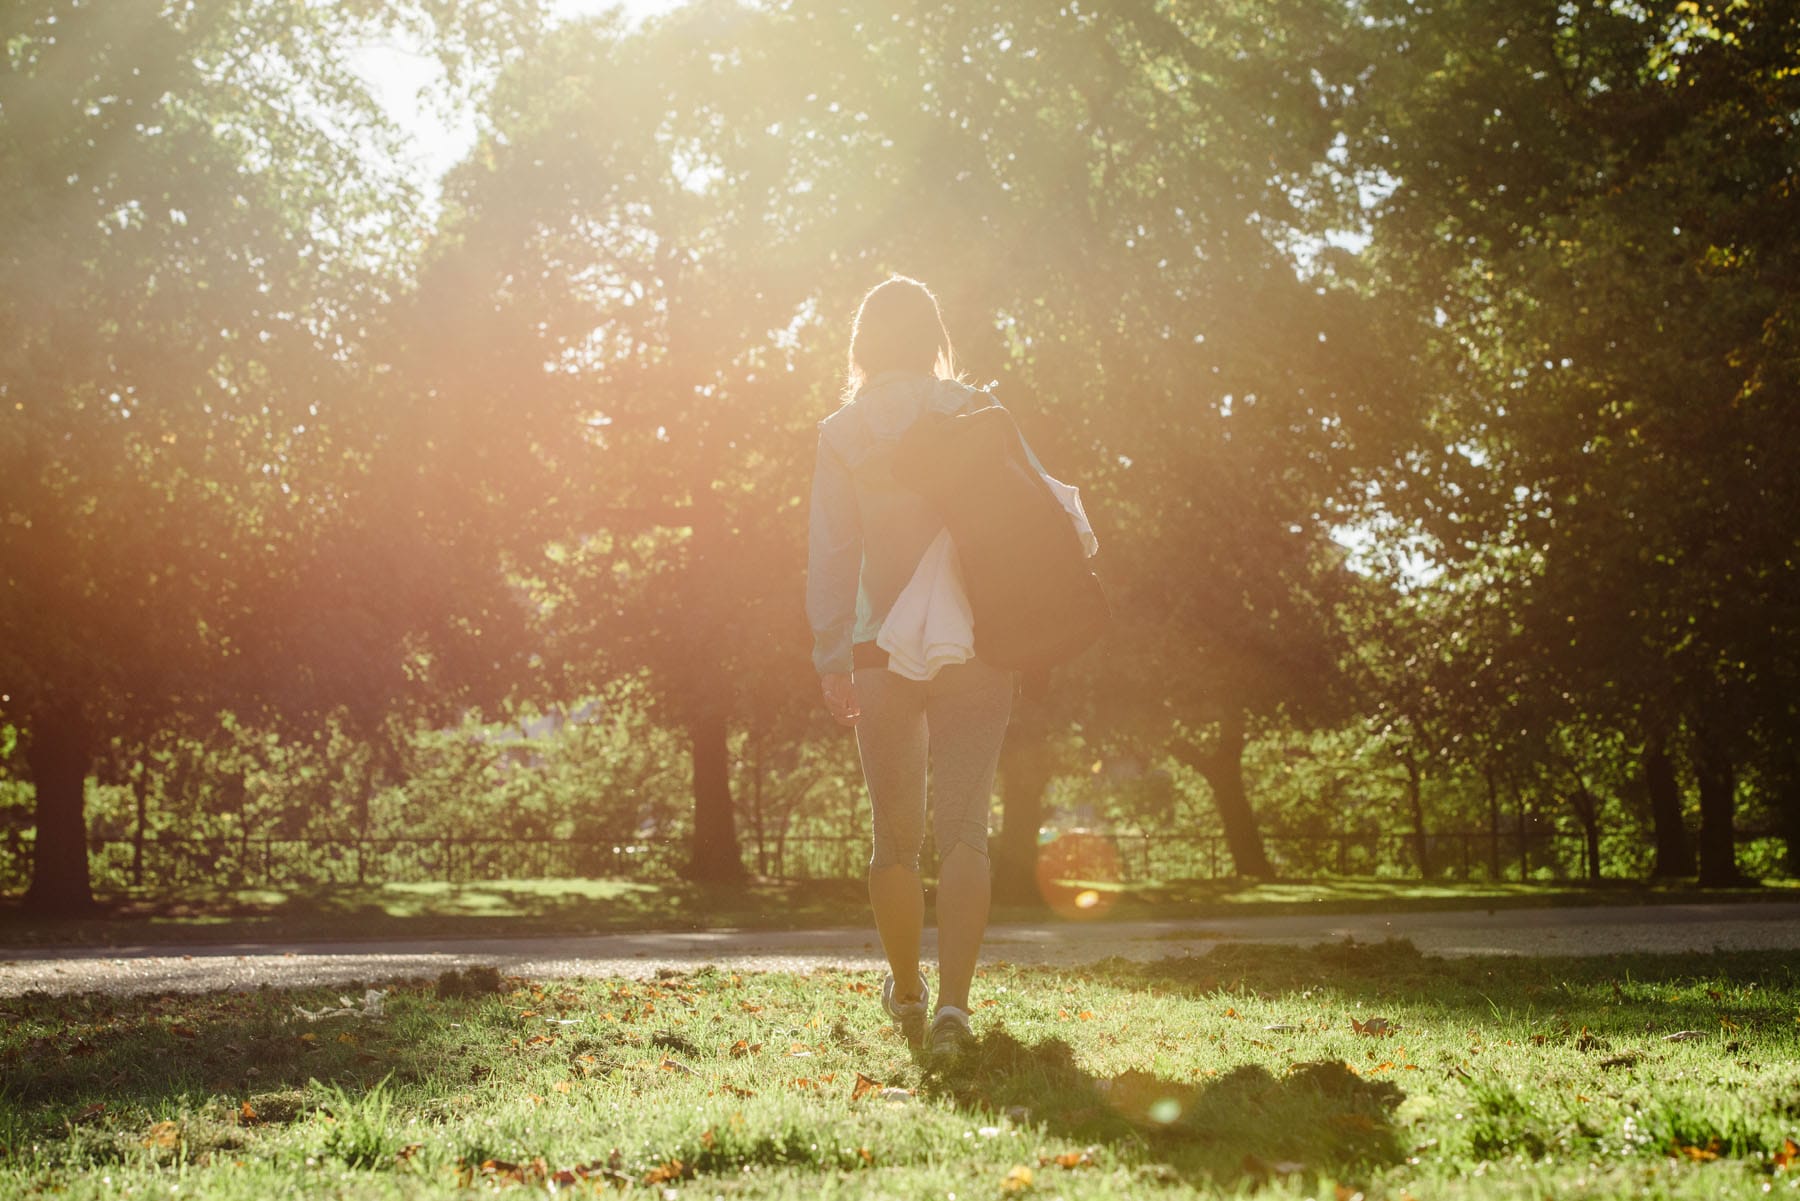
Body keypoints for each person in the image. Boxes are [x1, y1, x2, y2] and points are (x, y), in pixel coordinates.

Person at [805, 275, 1015, 1056]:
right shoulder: (975, 409)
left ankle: (907, 995)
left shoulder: (843, 431)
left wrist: (830, 654)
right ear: (933, 337)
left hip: (877, 646)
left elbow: (832, 553)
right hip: (976, 638)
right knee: (965, 830)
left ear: (861, 344)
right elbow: (1034, 516)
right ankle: (956, 1009)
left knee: (892, 839)